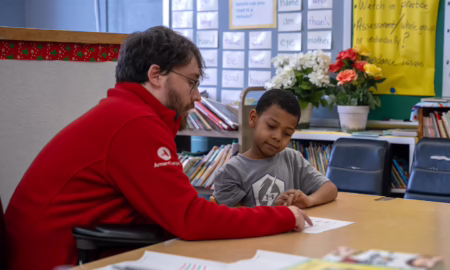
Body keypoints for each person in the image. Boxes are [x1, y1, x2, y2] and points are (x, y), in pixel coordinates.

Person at [4, 27, 312, 270]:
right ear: (156, 75)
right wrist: (283, 216)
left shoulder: (127, 114)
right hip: (60, 260)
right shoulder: (135, 124)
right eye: (191, 82)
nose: (197, 97)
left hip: (77, 249)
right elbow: (191, 218)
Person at [213, 89, 338, 208]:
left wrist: (308, 200)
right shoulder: (231, 172)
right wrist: (276, 214)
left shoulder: (292, 159)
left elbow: (330, 188)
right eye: (271, 126)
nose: (278, 137)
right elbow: (235, 221)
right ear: (253, 119)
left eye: (287, 134)